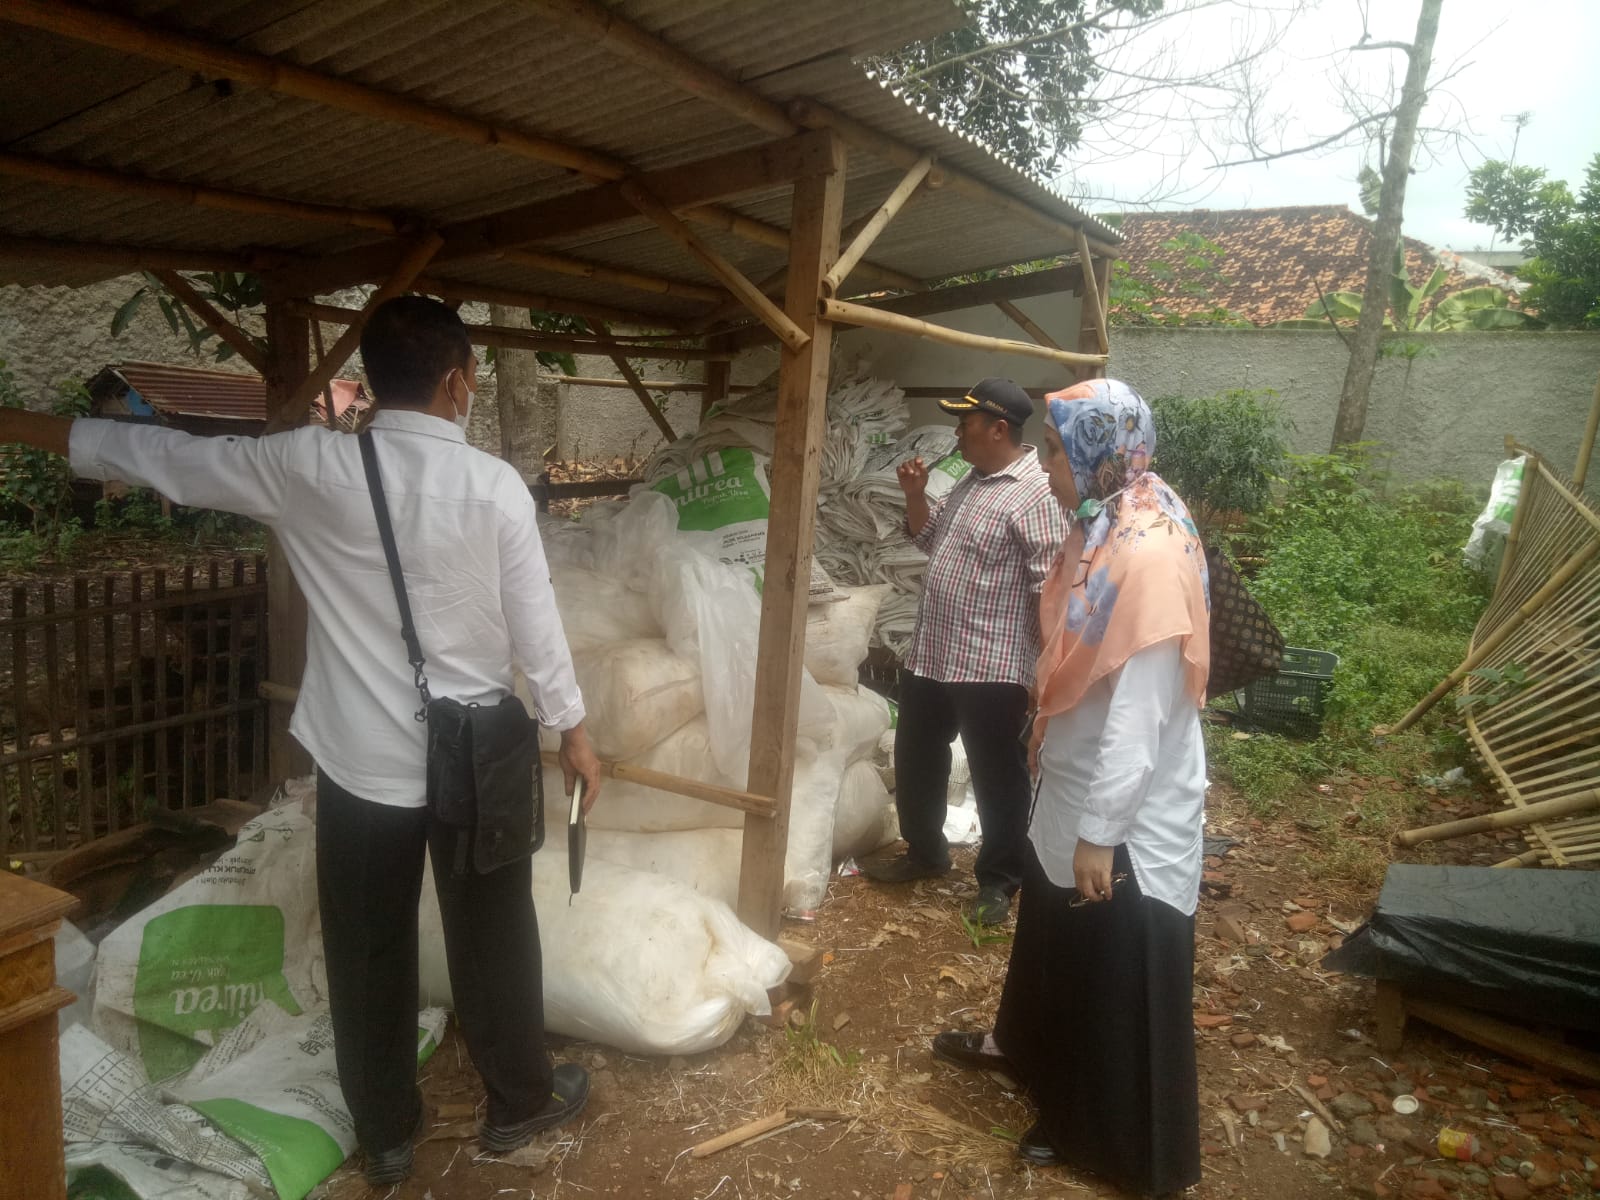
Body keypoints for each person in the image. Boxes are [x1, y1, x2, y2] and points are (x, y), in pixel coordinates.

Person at [0, 296, 604, 1188]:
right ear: (458, 380)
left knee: (366, 947)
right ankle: (519, 1102)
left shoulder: (307, 467)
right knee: (495, 934)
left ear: (377, 379)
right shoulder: (494, 488)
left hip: (361, 766)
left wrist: (25, 427)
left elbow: (170, 458)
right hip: (479, 759)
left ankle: (389, 1133)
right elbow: (536, 632)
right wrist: (576, 733)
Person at [929, 378, 1210, 1197]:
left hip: (1125, 807)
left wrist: (1102, 832)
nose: (1044, 465)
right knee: (1054, 939)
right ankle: (1033, 1062)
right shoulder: (1109, 520)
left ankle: (1107, 1136)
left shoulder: (1149, 553)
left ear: (1096, 452)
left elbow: (1142, 715)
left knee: (1114, 964)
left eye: (1052, 450)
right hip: (1076, 779)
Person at [864, 377, 1065, 926]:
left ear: (998, 429)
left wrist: (1042, 670)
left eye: (966, 422)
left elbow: (1049, 588)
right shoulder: (970, 482)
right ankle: (926, 853)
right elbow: (927, 541)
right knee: (917, 756)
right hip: (933, 653)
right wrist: (913, 496)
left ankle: (1000, 880)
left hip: (991, 664)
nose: (957, 431)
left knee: (997, 774)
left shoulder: (1036, 493)